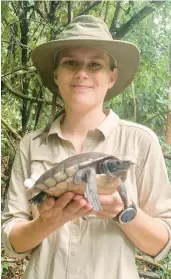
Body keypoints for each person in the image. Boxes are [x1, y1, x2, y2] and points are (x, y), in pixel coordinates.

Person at [2, 15, 171, 279]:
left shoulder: (140, 142)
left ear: (111, 76)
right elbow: (11, 244)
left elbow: (162, 244)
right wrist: (47, 222)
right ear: (56, 74)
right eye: (71, 63)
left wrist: (121, 211)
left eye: (95, 64)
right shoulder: (32, 145)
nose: (82, 73)